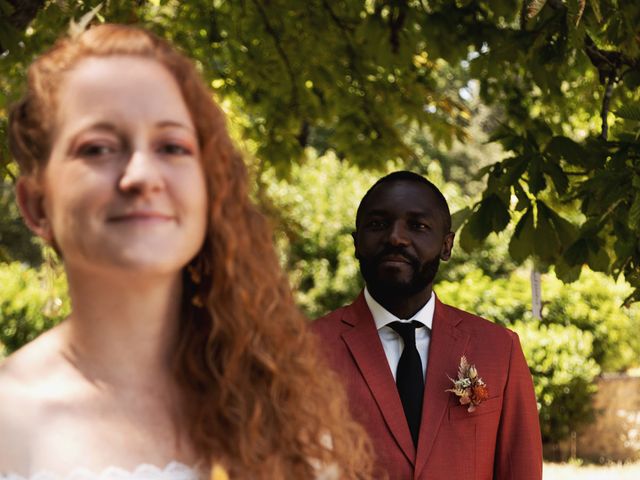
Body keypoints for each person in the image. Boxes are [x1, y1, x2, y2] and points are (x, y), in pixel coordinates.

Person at [0, 24, 372, 480]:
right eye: (97, 148)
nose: (142, 175)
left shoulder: (282, 415)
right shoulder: (8, 415)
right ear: (36, 205)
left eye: (172, 147)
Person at [313, 171, 543, 479]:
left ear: (446, 246)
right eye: (378, 224)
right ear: (356, 242)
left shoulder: (500, 349)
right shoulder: (302, 349)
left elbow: (521, 469)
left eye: (418, 226)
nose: (395, 237)